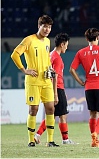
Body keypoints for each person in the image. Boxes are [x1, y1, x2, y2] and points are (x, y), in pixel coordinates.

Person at [10, 15, 59, 147]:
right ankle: (31, 140)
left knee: (50, 109)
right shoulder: (29, 40)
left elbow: (46, 59)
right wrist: (24, 70)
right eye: (45, 27)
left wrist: (50, 68)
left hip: (46, 80)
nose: (47, 29)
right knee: (34, 110)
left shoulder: (48, 42)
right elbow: (14, 54)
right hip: (33, 81)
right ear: (39, 26)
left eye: (49, 27)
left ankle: (50, 141)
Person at [69, 28, 99, 147]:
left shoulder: (81, 52)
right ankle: (95, 134)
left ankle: (94, 140)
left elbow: (71, 69)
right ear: (98, 37)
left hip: (89, 87)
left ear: (86, 39)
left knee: (92, 114)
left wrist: (80, 81)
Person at [34, 33, 75, 144]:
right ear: (62, 44)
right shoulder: (57, 58)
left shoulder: (50, 54)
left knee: (52, 114)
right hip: (57, 88)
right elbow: (55, 76)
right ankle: (65, 140)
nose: (67, 47)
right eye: (66, 45)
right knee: (62, 115)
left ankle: (38, 135)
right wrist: (56, 94)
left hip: (51, 88)